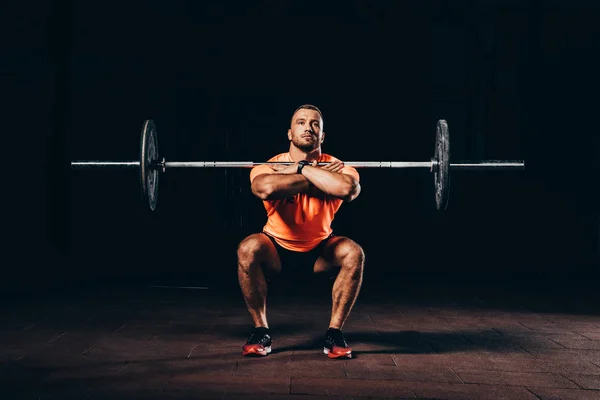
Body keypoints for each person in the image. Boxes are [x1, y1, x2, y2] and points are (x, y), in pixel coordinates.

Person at [237, 104, 365, 359]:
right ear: (289, 133)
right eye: (301, 122)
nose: (308, 127)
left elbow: (347, 189)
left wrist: (300, 168)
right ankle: (261, 331)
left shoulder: (339, 166)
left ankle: (334, 333)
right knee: (248, 247)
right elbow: (264, 188)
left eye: (315, 123)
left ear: (323, 135)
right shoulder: (270, 165)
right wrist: (318, 177)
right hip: (276, 250)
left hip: (321, 252)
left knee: (354, 253)